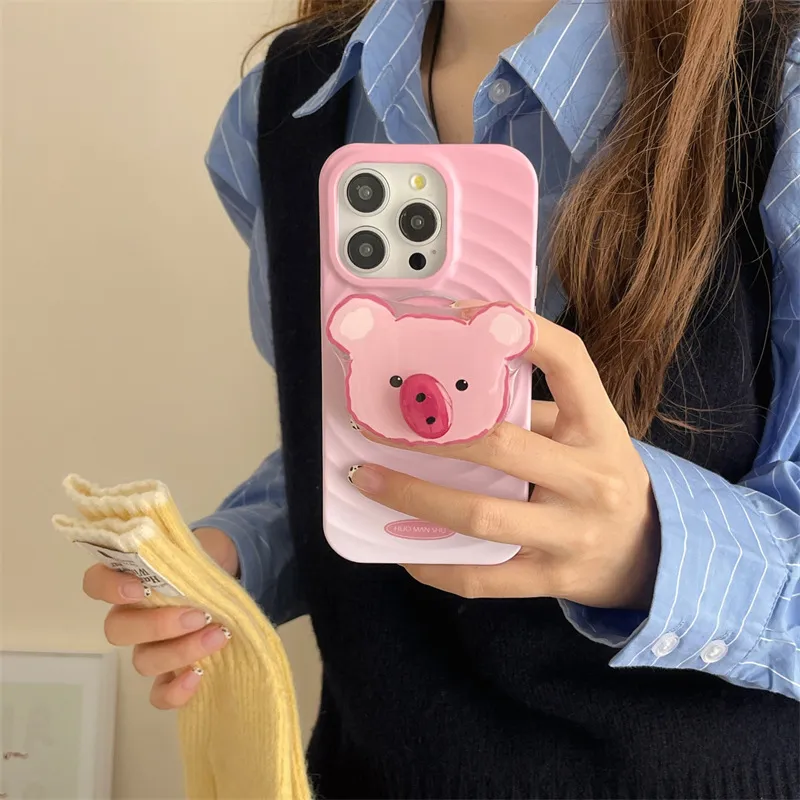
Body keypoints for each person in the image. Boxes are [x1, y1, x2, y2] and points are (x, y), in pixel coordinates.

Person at [83, 0, 800, 796]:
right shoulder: (286, 105)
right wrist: (241, 557)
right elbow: (353, 430)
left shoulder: (780, 89)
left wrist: (654, 548)